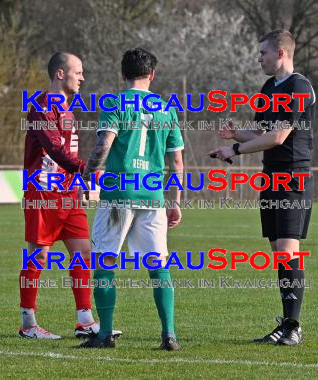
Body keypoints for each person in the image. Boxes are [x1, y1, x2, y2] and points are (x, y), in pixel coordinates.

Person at [210, 30, 316, 345]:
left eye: (263, 53)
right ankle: (287, 322)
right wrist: (235, 135)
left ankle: (293, 327)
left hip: (292, 178)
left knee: (287, 251)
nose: (259, 59)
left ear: (280, 53)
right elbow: (261, 130)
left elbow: (278, 137)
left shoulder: (298, 86)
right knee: (279, 254)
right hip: (271, 177)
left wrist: (236, 152)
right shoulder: (269, 87)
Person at [79, 48, 185, 350]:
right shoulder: (166, 108)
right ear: (152, 75)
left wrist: (87, 177)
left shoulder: (114, 102)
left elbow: (104, 143)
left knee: (105, 262)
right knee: (158, 266)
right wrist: (174, 202)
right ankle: (169, 335)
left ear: (122, 74)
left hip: (118, 195)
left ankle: (106, 334)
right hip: (152, 198)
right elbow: (176, 163)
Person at [20, 52, 121, 340]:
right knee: (38, 256)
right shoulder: (41, 106)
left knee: (83, 253)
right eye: (78, 71)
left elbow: (67, 152)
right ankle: (28, 323)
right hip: (42, 192)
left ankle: (85, 321)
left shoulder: (66, 106)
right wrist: (87, 170)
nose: (83, 77)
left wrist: (81, 179)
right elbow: (54, 149)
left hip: (68, 193)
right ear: (60, 74)